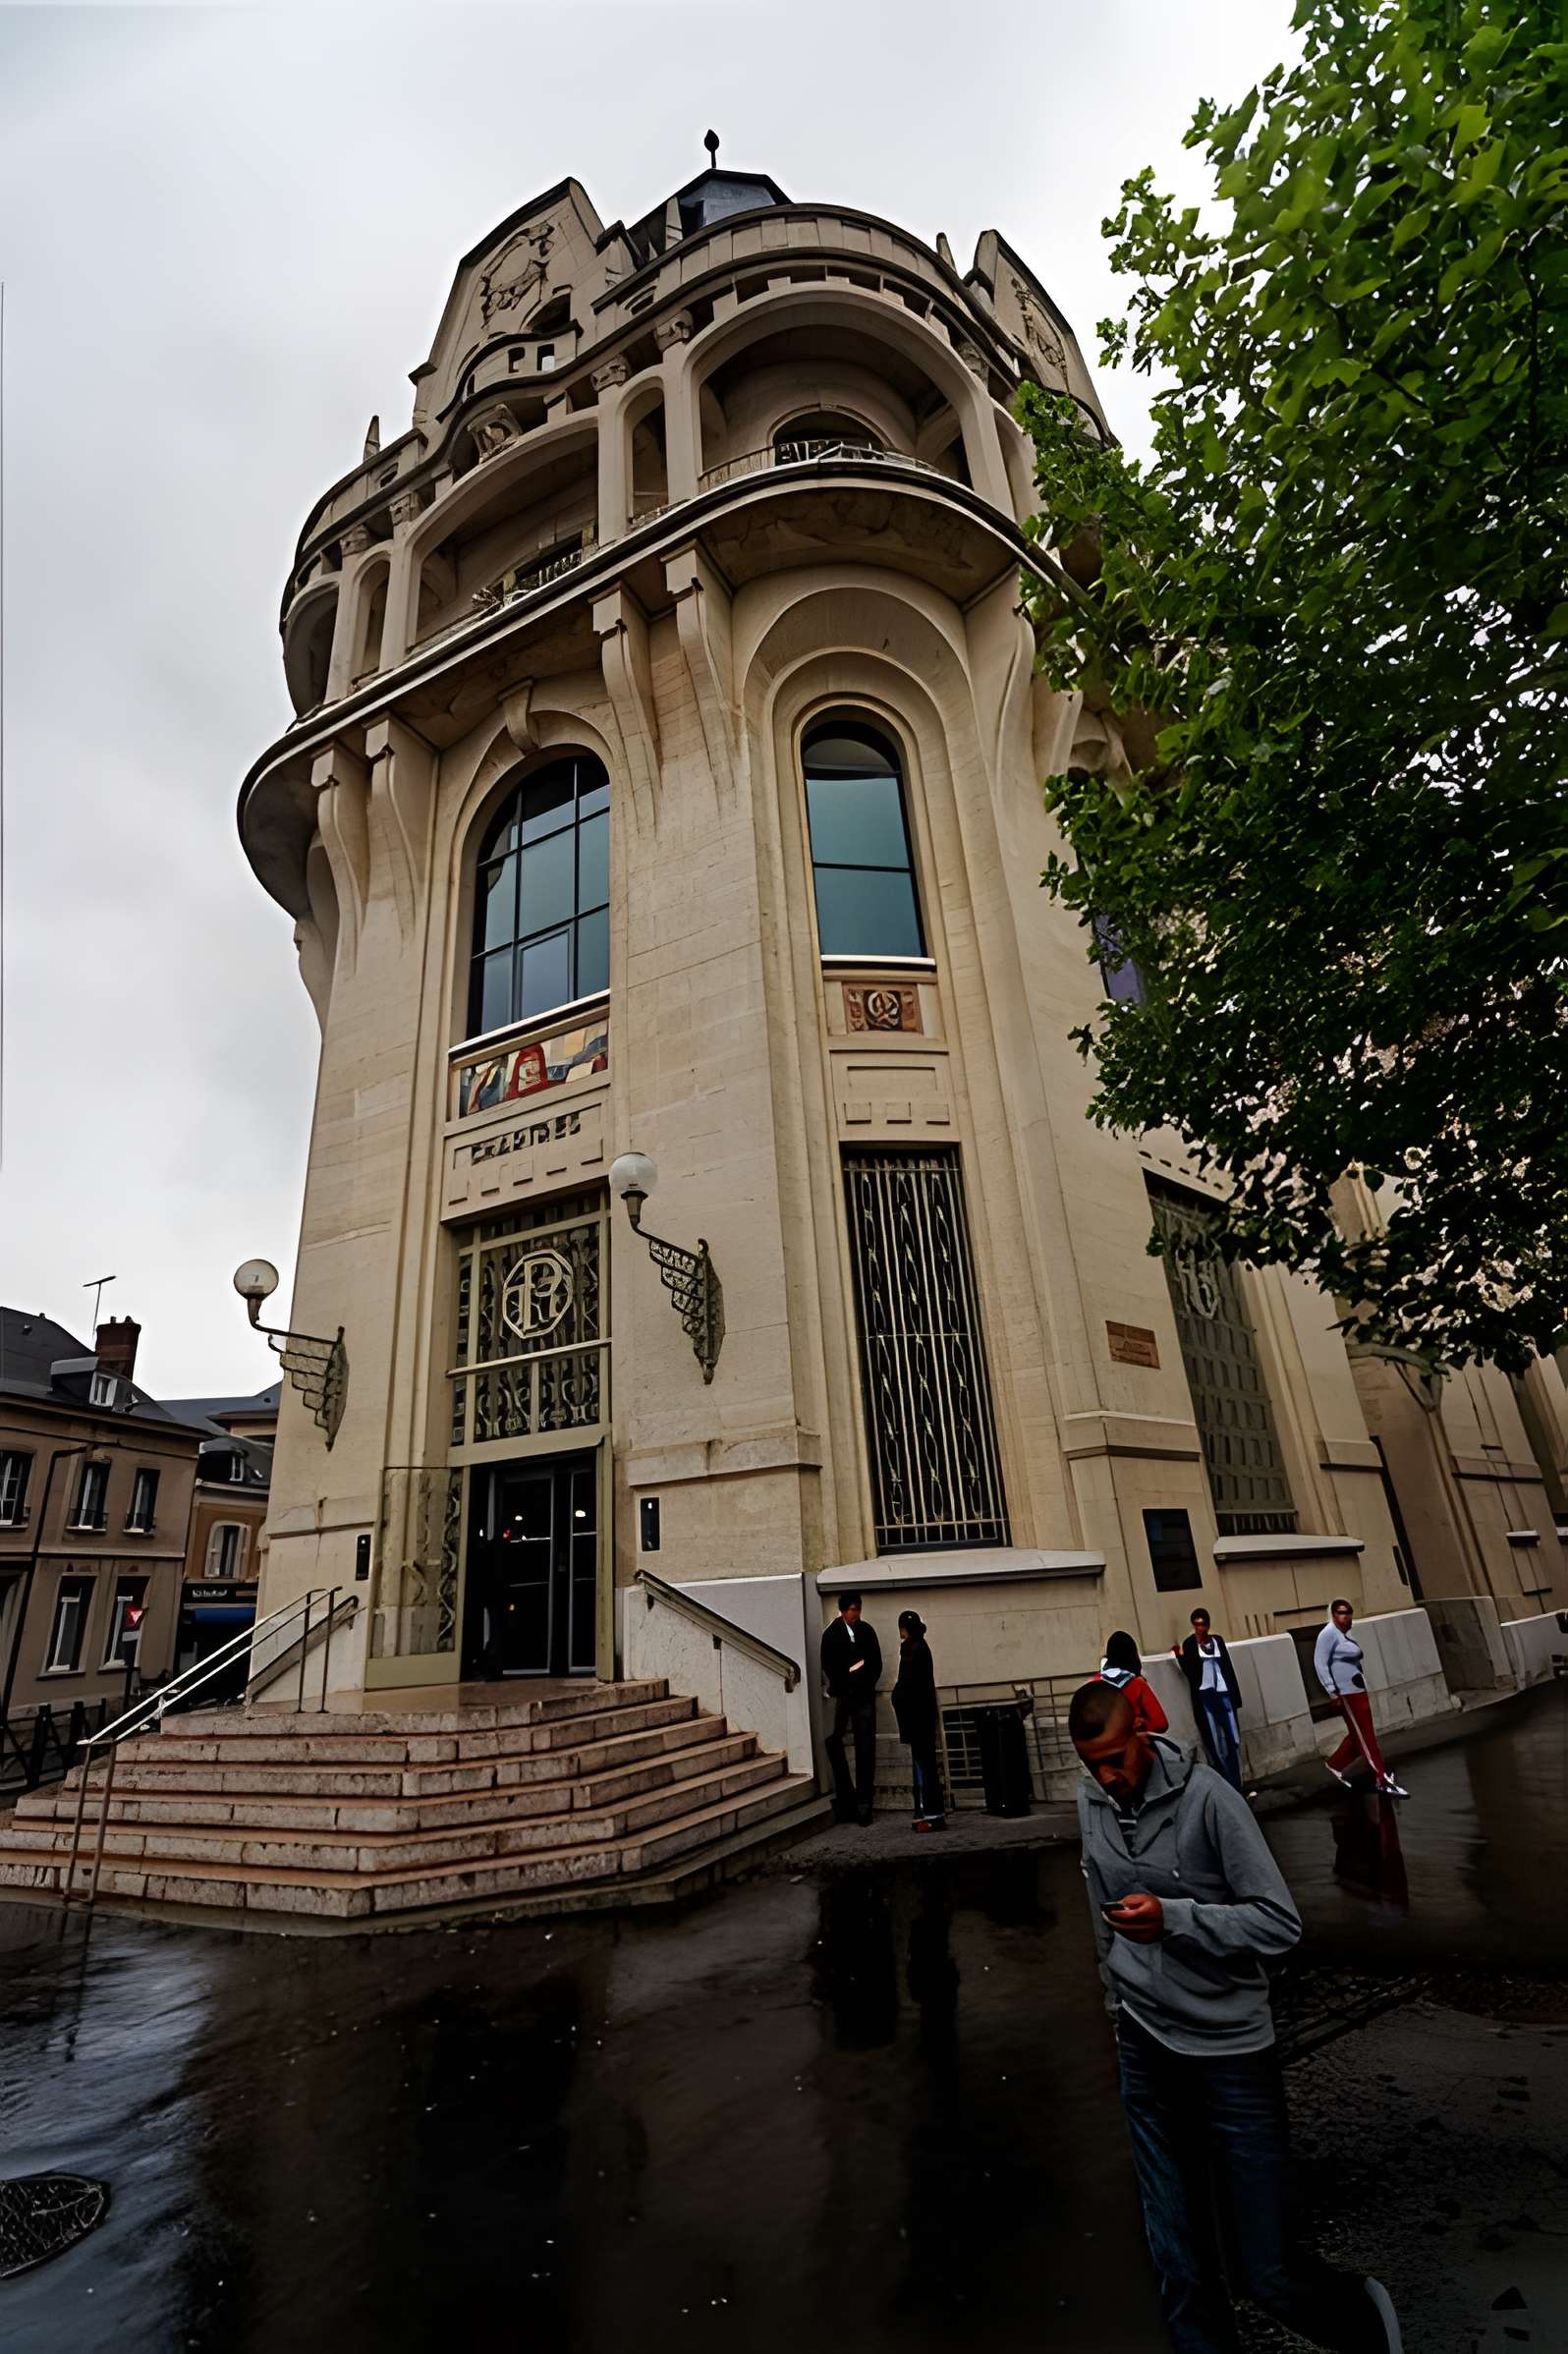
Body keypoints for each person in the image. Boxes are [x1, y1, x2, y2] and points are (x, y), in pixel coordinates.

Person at [1069, 1680, 1403, 2354]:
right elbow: (1098, 1903)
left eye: (1115, 1759)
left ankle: (1366, 2324)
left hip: (1230, 2051)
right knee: (1179, 2263)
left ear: (1140, 1730)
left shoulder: (1208, 1800)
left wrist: (1176, 1917)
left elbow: (1279, 1924)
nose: (1107, 1776)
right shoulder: (1092, 1801)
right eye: (1091, 1764)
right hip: (1145, 2045)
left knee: (1267, 2273)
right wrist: (1117, 1999)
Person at [1315, 1599, 1410, 1800]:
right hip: (1347, 1693)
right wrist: (1333, 1691)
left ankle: (1334, 1766)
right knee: (1366, 1737)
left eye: (1349, 1612)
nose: (1346, 1616)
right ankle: (1381, 1779)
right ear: (1333, 1614)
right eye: (1341, 1613)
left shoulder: (1344, 1634)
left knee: (1359, 1736)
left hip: (1357, 1689)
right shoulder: (1328, 1634)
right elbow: (1320, 1663)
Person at [820, 1592, 881, 1825]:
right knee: (834, 1741)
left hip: (862, 1695)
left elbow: (874, 1663)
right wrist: (853, 1671)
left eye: (859, 1609)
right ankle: (848, 1798)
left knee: (866, 1747)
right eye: (853, 1609)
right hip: (843, 1696)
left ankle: (864, 1804)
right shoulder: (832, 1634)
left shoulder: (867, 1631)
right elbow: (832, 1667)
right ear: (844, 1611)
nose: (857, 1613)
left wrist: (857, 1673)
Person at [1174, 1608, 1245, 1792]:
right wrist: (1180, 1657)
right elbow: (1190, 1672)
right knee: (1215, 1743)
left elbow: (1228, 1668)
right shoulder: (1190, 1644)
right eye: (1197, 1624)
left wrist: (1235, 1697)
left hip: (1224, 1694)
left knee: (1234, 1740)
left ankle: (1237, 1782)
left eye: (1203, 1624)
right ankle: (1227, 1784)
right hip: (1205, 1697)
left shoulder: (1217, 1641)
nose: (1201, 1628)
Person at [890, 1608, 945, 1830]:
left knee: (923, 1765)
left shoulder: (910, 1650)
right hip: (924, 1715)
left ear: (904, 1629)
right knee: (927, 1763)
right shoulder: (922, 1647)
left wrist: (896, 1697)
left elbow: (906, 1684)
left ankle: (929, 1814)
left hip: (915, 1717)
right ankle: (930, 1813)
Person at [1097, 1629, 1170, 1738]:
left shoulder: (1096, 1684)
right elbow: (1160, 1724)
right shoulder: (1137, 1684)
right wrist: (1141, 1725)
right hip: (1135, 1747)